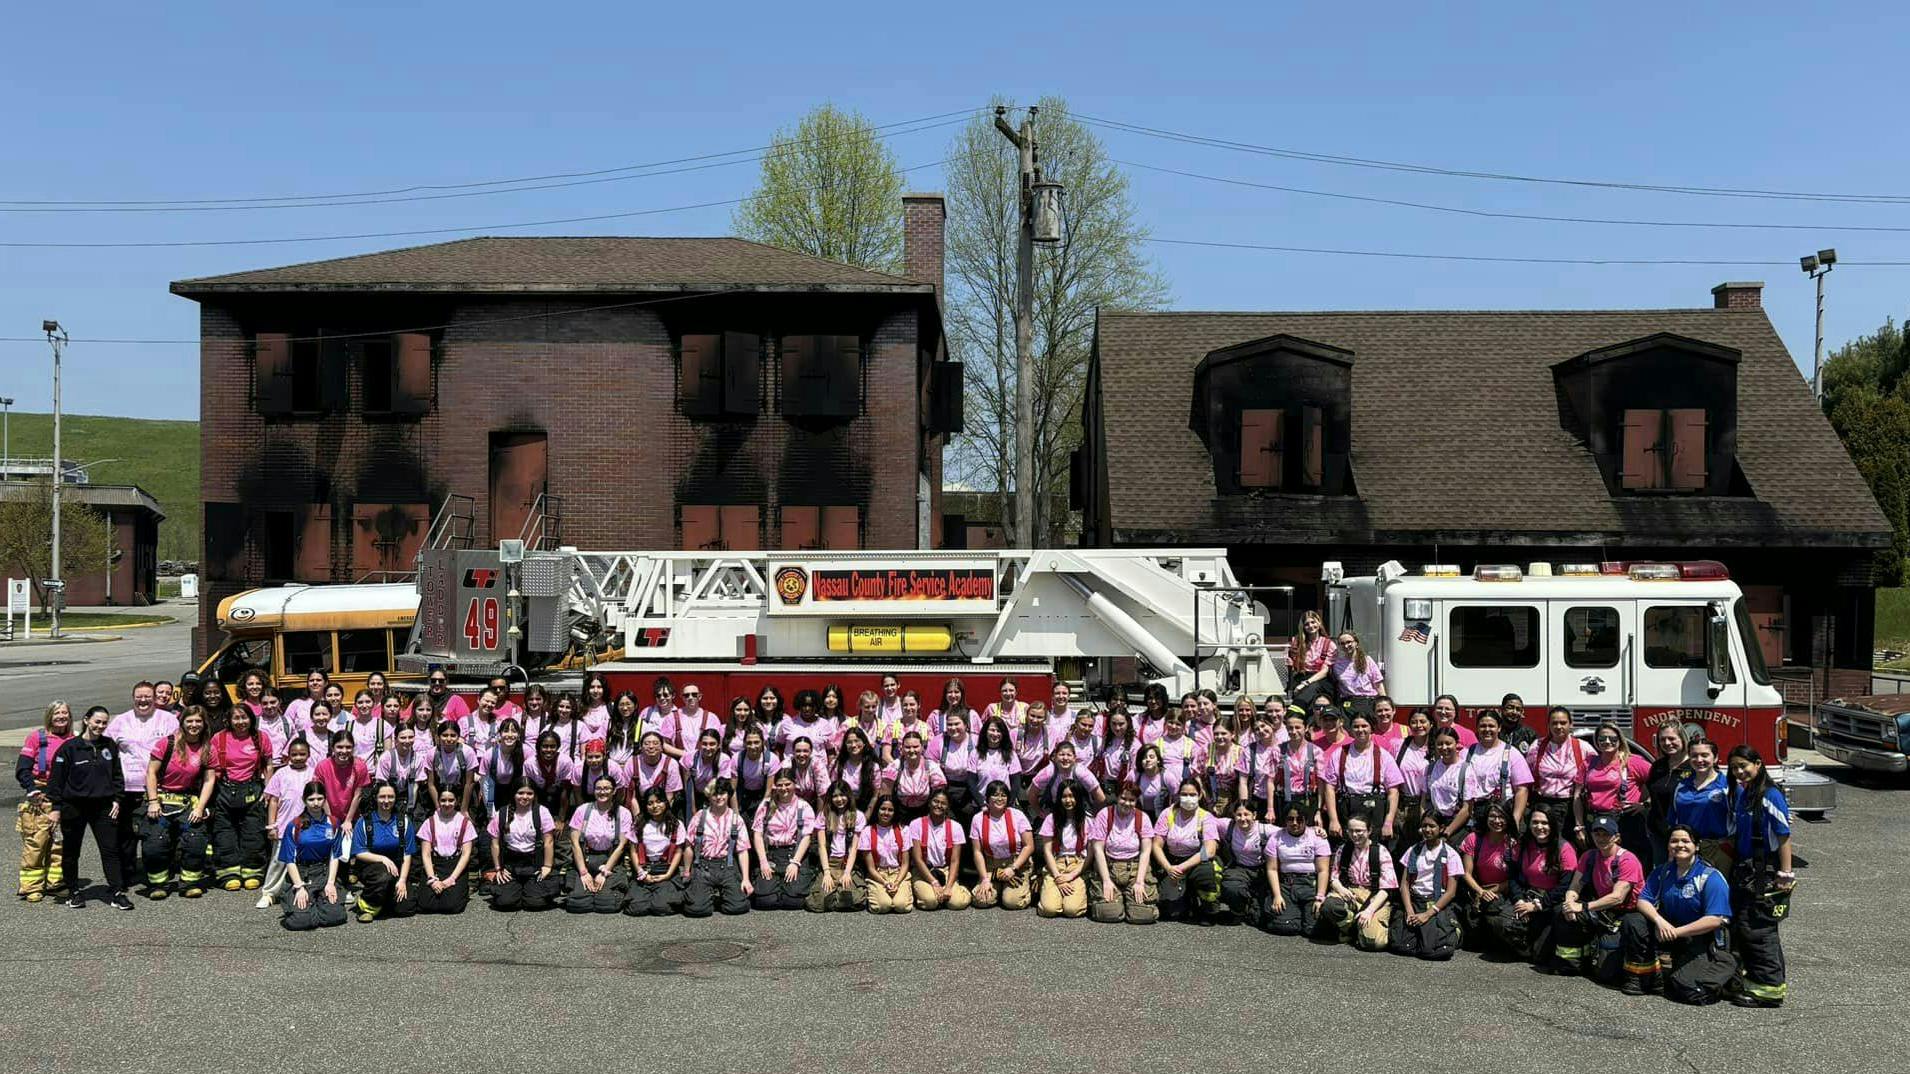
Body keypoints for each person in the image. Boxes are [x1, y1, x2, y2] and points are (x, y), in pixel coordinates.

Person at [1622, 824, 1736, 1002]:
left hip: (1699, 937)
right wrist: (1659, 921)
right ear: (1668, 846)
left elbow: (1714, 920)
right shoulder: (1663, 871)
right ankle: (1647, 978)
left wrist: (1676, 932)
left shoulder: (1710, 877)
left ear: (1696, 846)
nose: (1680, 845)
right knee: (1634, 921)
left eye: (1686, 841)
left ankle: (1727, 971)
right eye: (1674, 841)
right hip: (1668, 929)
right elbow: (1643, 900)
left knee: (1690, 990)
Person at [1725, 746, 1793, 1008]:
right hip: (1746, 870)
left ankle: (1769, 990)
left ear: (1758, 764)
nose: (1739, 772)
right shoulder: (1745, 793)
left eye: (1743, 766)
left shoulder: (1770, 795)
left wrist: (1785, 874)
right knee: (1746, 926)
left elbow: (1784, 836)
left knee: (1759, 929)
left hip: (1764, 871)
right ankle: (1758, 981)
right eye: (1734, 768)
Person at [47, 706, 133, 910]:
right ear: (86, 720)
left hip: (103, 806)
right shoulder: (70, 748)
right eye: (97, 722)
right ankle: (73, 892)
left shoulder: (109, 745)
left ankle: (116, 892)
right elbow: (56, 781)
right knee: (71, 851)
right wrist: (56, 808)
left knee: (110, 850)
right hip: (74, 806)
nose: (100, 726)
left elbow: (117, 775)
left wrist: (117, 799)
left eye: (104, 723)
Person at [1551, 815, 1647, 981]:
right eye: (1597, 834)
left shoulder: (1627, 860)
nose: (1601, 839)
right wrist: (1569, 903)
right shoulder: (1589, 856)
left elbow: (1617, 897)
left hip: (1625, 914)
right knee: (1562, 912)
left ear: (1616, 837)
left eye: (1606, 835)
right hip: (1602, 910)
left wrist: (1583, 907)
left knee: (1606, 974)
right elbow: (1575, 887)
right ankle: (1573, 965)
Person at [105, 682, 177, 888]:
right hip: (127, 787)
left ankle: (157, 872)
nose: (143, 700)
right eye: (139, 696)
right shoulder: (121, 721)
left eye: (147, 696)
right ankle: (126, 872)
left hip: (158, 787)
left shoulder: (168, 720)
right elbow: (105, 747)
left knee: (156, 834)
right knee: (125, 834)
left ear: (154, 698)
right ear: (133, 698)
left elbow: (179, 749)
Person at [142, 707, 216, 899]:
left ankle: (189, 883)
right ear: (182, 722)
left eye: (198, 721)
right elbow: (151, 773)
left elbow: (209, 780)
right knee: (155, 844)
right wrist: (153, 802)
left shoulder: (208, 748)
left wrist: (200, 808)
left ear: (204, 724)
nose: (194, 725)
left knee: (195, 841)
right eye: (189, 721)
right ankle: (158, 884)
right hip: (162, 800)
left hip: (188, 801)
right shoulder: (166, 744)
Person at [208, 702, 277, 891]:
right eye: (236, 718)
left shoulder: (261, 737)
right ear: (229, 720)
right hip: (225, 789)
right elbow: (210, 768)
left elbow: (268, 765)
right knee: (224, 831)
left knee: (253, 831)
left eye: (244, 717)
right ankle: (228, 871)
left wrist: (269, 789)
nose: (241, 722)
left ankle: (252, 870)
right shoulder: (218, 738)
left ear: (251, 719)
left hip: (252, 789)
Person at [1500, 807, 1578, 965]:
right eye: (1535, 822)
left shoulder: (1565, 848)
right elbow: (1513, 877)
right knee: (1502, 922)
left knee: (1539, 956)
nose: (1539, 827)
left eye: (1544, 823)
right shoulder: (1523, 845)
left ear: (1552, 825)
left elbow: (1565, 886)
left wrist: (1537, 906)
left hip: (1551, 903)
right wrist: (1519, 900)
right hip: (1528, 896)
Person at [16, 700, 74, 902]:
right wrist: (31, 789)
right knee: (36, 844)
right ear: (49, 715)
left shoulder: (74, 740)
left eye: (65, 713)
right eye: (57, 713)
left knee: (60, 844)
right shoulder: (36, 738)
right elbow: (22, 769)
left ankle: (55, 883)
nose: (61, 716)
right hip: (40, 798)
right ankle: (31, 887)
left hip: (64, 798)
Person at [1390, 813, 1463, 960]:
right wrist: (1409, 911)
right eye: (1424, 826)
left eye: (1432, 826)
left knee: (1432, 950)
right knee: (1401, 945)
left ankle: (1453, 932)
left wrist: (1428, 914)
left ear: (1441, 828)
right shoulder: (1413, 851)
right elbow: (1404, 884)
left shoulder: (1451, 854)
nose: (1427, 830)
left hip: (1436, 903)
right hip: (1415, 900)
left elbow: (1451, 892)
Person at [1323, 712, 1404, 843]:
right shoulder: (1339, 754)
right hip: (1347, 809)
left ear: (1371, 728)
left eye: (1364, 726)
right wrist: (1333, 820)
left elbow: (1393, 791)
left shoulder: (1383, 755)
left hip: (1375, 810)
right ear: (1350, 729)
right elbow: (1329, 788)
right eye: (1356, 726)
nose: (1360, 730)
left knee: (1374, 850)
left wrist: (1388, 823)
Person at [278, 782, 348, 930]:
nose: (316, 803)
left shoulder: (333, 823)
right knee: (301, 922)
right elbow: (289, 860)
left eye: (319, 798)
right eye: (311, 799)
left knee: (336, 916)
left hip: (324, 873)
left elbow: (335, 856)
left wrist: (330, 883)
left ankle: (317, 904)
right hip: (302, 874)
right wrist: (299, 887)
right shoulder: (294, 825)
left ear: (325, 799)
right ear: (304, 800)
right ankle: (308, 908)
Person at [1321, 814, 1396, 951]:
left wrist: (1369, 911)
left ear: (1369, 831)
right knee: (1330, 906)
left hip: (1374, 895)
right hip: (1351, 892)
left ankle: (1361, 930)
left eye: (1359, 831)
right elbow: (1334, 878)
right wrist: (1341, 889)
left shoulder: (1380, 851)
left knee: (1374, 943)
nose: (1355, 835)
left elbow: (1387, 888)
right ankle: (1350, 929)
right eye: (1351, 831)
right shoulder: (1343, 849)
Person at [255, 739, 315, 908]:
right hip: (283, 826)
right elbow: (273, 801)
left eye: (302, 754)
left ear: (308, 755)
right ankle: (269, 893)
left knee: (305, 860)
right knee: (279, 861)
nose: (298, 758)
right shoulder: (281, 773)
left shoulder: (313, 773)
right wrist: (272, 825)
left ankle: (304, 890)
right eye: (294, 754)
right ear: (288, 756)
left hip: (306, 827)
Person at [1088, 781, 1158, 924]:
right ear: (1117, 797)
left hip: (1134, 869)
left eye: (1132, 800)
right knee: (1108, 914)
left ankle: (1130, 901)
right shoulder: (1104, 815)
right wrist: (1106, 881)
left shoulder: (1142, 818)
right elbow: (1098, 849)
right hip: (1109, 868)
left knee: (1142, 915)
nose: (1127, 803)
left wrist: (1139, 882)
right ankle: (1117, 899)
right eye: (1123, 798)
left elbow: (1145, 852)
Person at [1152, 779, 1221, 923]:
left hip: (1196, 862)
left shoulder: (1205, 817)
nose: (1188, 798)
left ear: (1200, 795)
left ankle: (1208, 908)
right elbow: (1156, 846)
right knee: (1171, 913)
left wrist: (1182, 867)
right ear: (1178, 795)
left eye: (1192, 794)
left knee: (1206, 873)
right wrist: (1168, 868)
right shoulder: (1168, 813)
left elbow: (1209, 851)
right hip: (1173, 862)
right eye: (1184, 794)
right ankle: (1187, 898)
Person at [681, 778, 751, 917]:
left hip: (727, 866)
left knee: (738, 907)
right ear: (709, 795)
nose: (719, 797)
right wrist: (687, 872)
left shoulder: (736, 819)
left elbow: (742, 851)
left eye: (722, 793)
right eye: (714, 794)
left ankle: (725, 897)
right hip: (703, 866)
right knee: (696, 910)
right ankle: (703, 896)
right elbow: (689, 846)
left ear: (728, 794)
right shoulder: (699, 817)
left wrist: (746, 879)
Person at [750, 770, 817, 911]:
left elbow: (807, 837)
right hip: (771, 855)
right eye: (780, 785)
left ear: (795, 784)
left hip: (794, 853)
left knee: (793, 902)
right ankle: (775, 887)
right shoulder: (766, 806)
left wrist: (795, 862)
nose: (784, 788)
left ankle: (785, 888)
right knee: (765, 901)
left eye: (787, 784)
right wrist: (763, 862)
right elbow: (757, 834)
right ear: (775, 786)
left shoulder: (803, 807)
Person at [486, 781, 559, 912]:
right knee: (505, 902)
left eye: (529, 793)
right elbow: (495, 843)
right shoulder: (502, 813)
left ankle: (528, 891)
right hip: (511, 865)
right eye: (520, 793)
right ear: (513, 794)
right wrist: (498, 868)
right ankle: (518, 891)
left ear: (534, 795)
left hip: (534, 864)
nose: (525, 797)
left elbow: (548, 842)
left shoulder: (541, 812)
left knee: (535, 903)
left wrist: (547, 866)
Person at [350, 782, 416, 923]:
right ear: (375, 798)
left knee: (406, 907)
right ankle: (365, 906)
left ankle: (383, 899)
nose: (386, 801)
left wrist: (402, 880)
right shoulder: (364, 822)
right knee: (384, 876)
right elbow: (359, 852)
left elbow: (407, 853)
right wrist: (383, 859)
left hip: (397, 869)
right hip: (371, 867)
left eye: (390, 797)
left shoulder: (403, 821)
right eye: (382, 797)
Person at [567, 774, 632, 915]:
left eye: (607, 788)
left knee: (606, 904)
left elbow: (621, 846)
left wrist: (604, 872)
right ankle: (585, 890)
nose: (602, 792)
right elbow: (575, 843)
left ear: (614, 791)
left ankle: (606, 890)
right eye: (598, 788)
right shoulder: (583, 810)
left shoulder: (624, 813)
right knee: (578, 903)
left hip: (610, 861)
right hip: (585, 860)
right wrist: (583, 873)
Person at [1584, 721, 1652, 855]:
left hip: (1625, 821)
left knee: (1629, 859)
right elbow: (1577, 793)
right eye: (1602, 738)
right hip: (1595, 820)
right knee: (1600, 861)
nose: (1607, 741)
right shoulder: (1589, 762)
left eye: (1613, 738)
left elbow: (1661, 782)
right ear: (1596, 741)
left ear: (1620, 740)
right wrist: (1580, 824)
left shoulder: (1633, 761)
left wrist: (1646, 804)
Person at [1459, 800, 1518, 951]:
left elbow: (1517, 877)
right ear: (1486, 818)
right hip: (1478, 889)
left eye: (1501, 817)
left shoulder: (1514, 843)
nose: (1497, 821)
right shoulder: (1474, 839)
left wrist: (1495, 890)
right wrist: (1481, 891)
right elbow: (1466, 873)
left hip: (1503, 891)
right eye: (1492, 816)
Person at [1461, 709, 1534, 831]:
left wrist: (1515, 820)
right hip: (1473, 815)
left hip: (1501, 814)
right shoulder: (1466, 753)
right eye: (1483, 726)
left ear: (1499, 728)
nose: (1487, 729)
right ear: (1477, 728)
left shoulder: (1512, 754)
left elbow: (1522, 790)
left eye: (1491, 726)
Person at [1526, 707, 1589, 845]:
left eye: (1563, 723)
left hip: (1570, 807)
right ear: (1548, 725)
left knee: (1566, 847)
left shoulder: (1583, 747)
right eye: (1554, 723)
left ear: (1570, 724)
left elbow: (1597, 773)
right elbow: (1526, 777)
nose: (1558, 727)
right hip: (1542, 805)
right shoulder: (1537, 746)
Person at [968, 780, 1034, 911]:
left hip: (1016, 864)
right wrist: (985, 879)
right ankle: (998, 886)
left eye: (1003, 795)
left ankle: (1024, 884)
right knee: (981, 900)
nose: (999, 799)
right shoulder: (978, 819)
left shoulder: (1017, 815)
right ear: (987, 798)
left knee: (1012, 902)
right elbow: (977, 852)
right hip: (992, 867)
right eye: (995, 795)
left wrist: (1013, 868)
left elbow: (1029, 846)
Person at [1668, 739, 1733, 871]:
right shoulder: (1681, 786)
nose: (1699, 760)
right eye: (1694, 756)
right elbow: (1673, 820)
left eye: (1704, 755)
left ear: (1715, 758)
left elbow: (1741, 820)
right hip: (1686, 848)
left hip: (1717, 850)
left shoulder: (1727, 786)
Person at [1266, 804, 1331, 937]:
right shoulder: (1276, 837)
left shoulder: (1317, 837)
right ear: (1285, 820)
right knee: (1286, 927)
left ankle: (1304, 917)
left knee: (1313, 930)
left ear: (1306, 820)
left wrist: (1320, 898)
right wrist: (1277, 896)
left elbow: (1323, 870)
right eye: (1290, 819)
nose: (1295, 823)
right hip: (1287, 885)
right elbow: (1272, 869)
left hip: (1310, 884)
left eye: (1299, 819)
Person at [414, 787, 476, 915]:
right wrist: (432, 879)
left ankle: (463, 889)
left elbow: (466, 854)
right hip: (435, 865)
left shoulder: (465, 823)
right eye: (443, 800)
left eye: (451, 800)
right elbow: (426, 854)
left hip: (455, 865)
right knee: (425, 905)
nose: (447, 804)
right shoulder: (429, 822)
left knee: (452, 906)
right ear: (438, 801)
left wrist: (451, 879)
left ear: (457, 801)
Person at [808, 780, 866, 913]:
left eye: (842, 795)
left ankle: (838, 892)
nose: (839, 799)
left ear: (849, 796)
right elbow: (822, 846)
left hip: (847, 863)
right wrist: (826, 873)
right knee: (818, 903)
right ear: (830, 798)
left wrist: (847, 873)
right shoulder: (824, 815)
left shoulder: (858, 816)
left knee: (853, 900)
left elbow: (853, 848)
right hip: (830, 863)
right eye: (835, 796)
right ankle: (833, 892)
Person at [625, 787, 685, 916]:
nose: (655, 806)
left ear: (665, 802)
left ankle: (661, 895)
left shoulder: (676, 824)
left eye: (658, 802)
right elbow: (633, 851)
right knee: (637, 909)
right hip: (644, 869)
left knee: (661, 908)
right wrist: (641, 873)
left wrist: (668, 874)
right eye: (650, 803)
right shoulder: (639, 823)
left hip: (666, 869)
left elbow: (678, 852)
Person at [908, 787, 971, 911]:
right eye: (936, 801)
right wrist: (934, 882)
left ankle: (963, 890)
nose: (939, 805)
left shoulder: (956, 827)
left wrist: (948, 887)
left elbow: (955, 861)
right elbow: (917, 859)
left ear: (948, 807)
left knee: (957, 903)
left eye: (943, 803)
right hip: (923, 870)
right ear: (929, 803)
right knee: (930, 902)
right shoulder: (916, 824)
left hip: (945, 870)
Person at [1215, 799, 1276, 926]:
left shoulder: (1265, 829)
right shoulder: (1228, 825)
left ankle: (1252, 903)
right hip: (1239, 868)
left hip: (1262, 871)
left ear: (1254, 815)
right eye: (1239, 815)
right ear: (1234, 815)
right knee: (1231, 887)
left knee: (1260, 919)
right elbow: (1206, 820)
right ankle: (1238, 911)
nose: (1243, 819)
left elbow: (1287, 832)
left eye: (1246, 814)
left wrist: (1315, 830)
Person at [1036, 781, 1092, 919]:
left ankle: (1074, 894)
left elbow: (1090, 854)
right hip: (1056, 864)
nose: (1068, 800)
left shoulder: (1088, 820)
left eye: (1072, 796)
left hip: (1078, 865)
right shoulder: (1051, 819)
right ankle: (1053, 893)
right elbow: (1047, 851)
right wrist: (1058, 877)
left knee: (1072, 910)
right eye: (1064, 796)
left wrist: (1071, 876)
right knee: (1048, 909)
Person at [1644, 724, 1693, 868]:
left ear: (1682, 738)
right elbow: (1651, 791)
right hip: (1658, 834)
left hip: (1684, 836)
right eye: (1662, 739)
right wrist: (1644, 805)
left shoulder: (1694, 765)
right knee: (1662, 873)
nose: (1667, 743)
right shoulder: (1658, 766)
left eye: (1672, 738)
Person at [860, 794, 913, 915]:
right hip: (878, 873)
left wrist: (897, 882)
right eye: (883, 809)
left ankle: (901, 891)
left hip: (898, 873)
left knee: (901, 906)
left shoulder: (903, 830)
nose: (886, 813)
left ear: (895, 812)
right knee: (882, 906)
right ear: (877, 810)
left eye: (890, 810)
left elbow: (905, 864)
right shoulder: (867, 831)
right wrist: (885, 883)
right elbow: (871, 868)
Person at [1391, 710, 1435, 853]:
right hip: (1402, 806)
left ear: (1431, 724)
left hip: (1427, 806)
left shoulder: (1436, 748)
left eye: (1423, 722)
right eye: (1414, 722)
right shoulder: (1398, 745)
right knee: (1400, 850)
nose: (1418, 725)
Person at [882, 731, 948, 823]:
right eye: (907, 747)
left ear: (922, 747)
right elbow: (886, 796)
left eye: (915, 747)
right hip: (900, 815)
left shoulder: (931, 767)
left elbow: (940, 796)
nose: (912, 750)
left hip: (925, 815)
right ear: (902, 749)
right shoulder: (894, 767)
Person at [927, 711, 979, 821]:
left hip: (970, 790)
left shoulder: (976, 741)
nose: (953, 728)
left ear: (966, 725)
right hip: (946, 788)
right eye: (949, 725)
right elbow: (929, 764)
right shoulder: (938, 740)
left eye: (956, 724)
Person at [1423, 729, 1473, 840]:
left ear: (1457, 744)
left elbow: (1467, 808)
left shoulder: (1466, 769)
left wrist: (1448, 832)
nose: (1444, 747)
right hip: (1435, 823)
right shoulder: (1430, 768)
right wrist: (1425, 825)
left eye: (1448, 743)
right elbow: (1424, 800)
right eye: (1440, 744)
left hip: (1456, 825)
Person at [1287, 611, 1336, 708]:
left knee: (1312, 688)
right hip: (1301, 676)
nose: (1310, 626)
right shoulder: (1296, 642)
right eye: (1307, 624)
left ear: (1319, 623)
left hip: (1320, 679)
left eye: (1313, 622)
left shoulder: (1329, 644)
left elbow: (1324, 671)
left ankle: (1295, 710)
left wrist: (1306, 683)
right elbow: (1291, 663)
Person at [732, 726, 779, 823]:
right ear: (744, 743)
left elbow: (769, 791)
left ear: (763, 742)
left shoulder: (771, 759)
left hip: (762, 796)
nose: (753, 746)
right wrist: (735, 814)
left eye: (756, 742)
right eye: (749, 743)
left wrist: (761, 813)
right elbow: (733, 790)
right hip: (743, 796)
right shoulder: (737, 759)